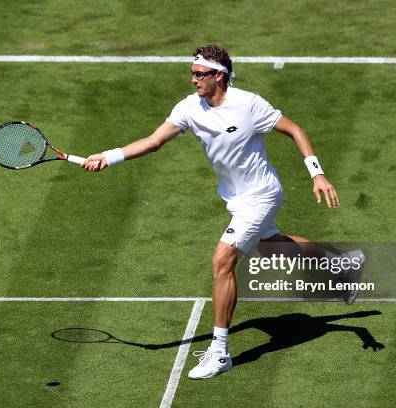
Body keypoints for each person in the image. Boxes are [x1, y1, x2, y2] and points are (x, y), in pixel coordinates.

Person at [81, 44, 361, 379]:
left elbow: (295, 130)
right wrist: (107, 156)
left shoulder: (249, 105)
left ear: (219, 76)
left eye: (199, 74)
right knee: (274, 246)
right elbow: (154, 141)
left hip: (262, 194)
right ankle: (340, 267)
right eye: (192, 73)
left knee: (222, 260)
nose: (193, 80)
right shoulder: (189, 107)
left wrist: (316, 172)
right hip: (236, 197)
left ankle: (220, 351)